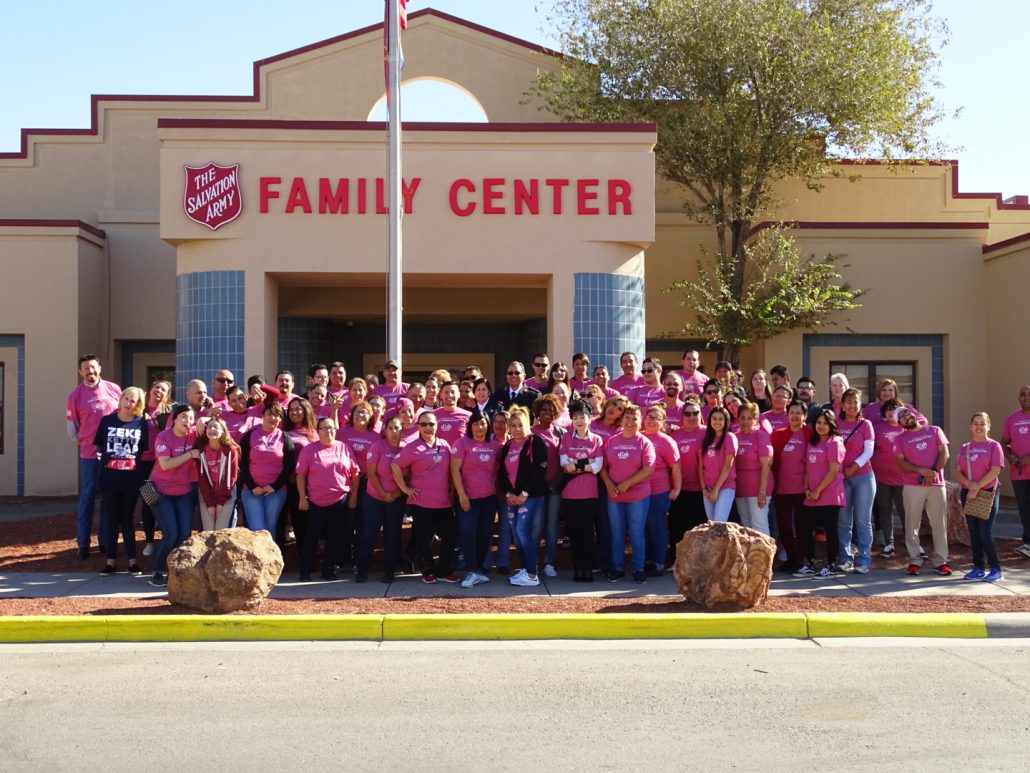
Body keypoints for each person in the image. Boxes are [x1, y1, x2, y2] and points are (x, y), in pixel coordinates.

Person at [66, 354, 122, 560]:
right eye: (86, 369)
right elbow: (72, 429)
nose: (90, 372)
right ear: (81, 372)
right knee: (88, 496)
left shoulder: (114, 390)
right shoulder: (75, 396)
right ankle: (83, 543)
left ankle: (106, 541)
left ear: (100, 368)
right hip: (89, 454)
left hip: (113, 454)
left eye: (93, 367)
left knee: (108, 497)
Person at [392, 411, 457, 584]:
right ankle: (427, 570)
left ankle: (444, 570)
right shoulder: (412, 447)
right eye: (424, 424)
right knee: (424, 538)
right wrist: (405, 488)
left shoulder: (444, 445)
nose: (428, 427)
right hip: (421, 502)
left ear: (437, 425)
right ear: (418, 427)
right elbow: (395, 465)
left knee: (450, 536)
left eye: (431, 424)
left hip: (443, 501)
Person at [296, 416, 360, 582]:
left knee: (335, 536)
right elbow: (300, 476)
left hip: (340, 500)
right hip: (316, 501)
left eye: (332, 428)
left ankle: (329, 570)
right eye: (324, 428)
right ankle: (305, 570)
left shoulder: (344, 448)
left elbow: (354, 473)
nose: (329, 431)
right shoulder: (309, 450)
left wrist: (353, 495)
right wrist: (302, 497)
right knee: (312, 536)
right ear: (318, 431)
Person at [93, 387, 148, 575]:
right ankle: (110, 562)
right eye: (126, 398)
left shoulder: (142, 423)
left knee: (127, 518)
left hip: (131, 479)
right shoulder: (107, 421)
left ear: (137, 405)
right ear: (120, 399)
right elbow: (99, 448)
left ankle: (132, 561)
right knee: (112, 519)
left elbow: (141, 451)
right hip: (109, 479)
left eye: (133, 400)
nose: (128, 403)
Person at [600, 404, 656, 583]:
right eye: (627, 418)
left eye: (634, 418)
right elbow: (603, 466)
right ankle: (617, 569)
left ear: (641, 422)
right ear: (622, 420)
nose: (630, 421)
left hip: (637, 496)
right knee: (617, 533)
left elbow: (648, 469)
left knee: (636, 532)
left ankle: (638, 570)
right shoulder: (612, 441)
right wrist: (609, 484)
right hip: (615, 496)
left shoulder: (644, 442)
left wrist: (627, 484)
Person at [893, 406, 952, 576]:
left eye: (907, 413)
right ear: (900, 423)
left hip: (936, 485)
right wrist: (921, 471)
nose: (906, 417)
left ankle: (941, 561)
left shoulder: (934, 430)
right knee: (912, 524)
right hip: (912, 485)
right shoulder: (900, 439)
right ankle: (914, 561)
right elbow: (901, 463)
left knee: (939, 524)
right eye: (902, 417)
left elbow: (944, 453)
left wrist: (932, 472)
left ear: (914, 414)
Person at [148, 404, 200, 587]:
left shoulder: (194, 434)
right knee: (171, 533)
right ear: (175, 419)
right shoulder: (164, 437)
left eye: (191, 418)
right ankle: (158, 570)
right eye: (184, 417)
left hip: (184, 492)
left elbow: (211, 425)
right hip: (160, 492)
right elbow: (165, 464)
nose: (188, 421)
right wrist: (190, 454)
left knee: (185, 533)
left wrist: (204, 419)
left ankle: (177, 570)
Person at [497, 406, 549, 587]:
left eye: (521, 425)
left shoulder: (536, 442)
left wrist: (524, 493)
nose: (517, 428)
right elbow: (502, 473)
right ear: (509, 428)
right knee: (516, 534)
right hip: (512, 497)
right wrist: (509, 493)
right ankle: (526, 569)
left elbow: (540, 469)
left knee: (522, 531)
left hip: (531, 496)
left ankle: (532, 574)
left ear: (528, 425)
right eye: (513, 425)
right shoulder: (508, 446)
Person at [451, 409, 502, 588]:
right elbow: (454, 470)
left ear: (488, 425)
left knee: (484, 534)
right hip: (468, 498)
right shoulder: (461, 443)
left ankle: (478, 570)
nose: (479, 427)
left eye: (483, 423)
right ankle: (471, 570)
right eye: (476, 423)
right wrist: (462, 494)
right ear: (470, 426)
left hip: (488, 498)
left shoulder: (495, 445)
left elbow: (498, 471)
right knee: (467, 532)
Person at [955, 412, 1005, 582]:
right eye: (975, 423)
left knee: (985, 532)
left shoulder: (994, 446)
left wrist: (977, 486)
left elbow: (995, 470)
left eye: (982, 423)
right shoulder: (965, 448)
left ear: (988, 426)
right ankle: (978, 567)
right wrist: (970, 486)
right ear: (970, 426)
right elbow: (958, 472)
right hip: (968, 493)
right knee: (974, 533)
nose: (978, 427)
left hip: (987, 493)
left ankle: (996, 569)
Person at [559, 398, 605, 582]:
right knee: (574, 531)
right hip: (570, 492)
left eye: (582, 416)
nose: (579, 420)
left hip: (589, 493)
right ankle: (578, 568)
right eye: (575, 417)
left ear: (590, 418)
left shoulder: (597, 439)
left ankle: (588, 567)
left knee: (587, 531)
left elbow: (598, 465)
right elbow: (564, 464)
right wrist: (586, 463)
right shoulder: (566, 438)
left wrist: (577, 464)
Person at [359, 416, 407, 583]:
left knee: (392, 536)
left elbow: (409, 478)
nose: (394, 432)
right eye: (391, 428)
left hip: (396, 498)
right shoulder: (377, 446)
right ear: (385, 431)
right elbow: (371, 474)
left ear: (403, 430)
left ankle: (389, 571)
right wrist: (383, 493)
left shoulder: (406, 449)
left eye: (397, 428)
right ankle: (362, 570)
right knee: (369, 534)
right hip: (374, 498)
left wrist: (395, 495)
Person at [239, 403, 297, 537]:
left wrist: (274, 487)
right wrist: (253, 486)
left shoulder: (285, 438)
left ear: (281, 419)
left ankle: (270, 558)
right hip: (251, 490)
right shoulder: (249, 436)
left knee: (270, 529)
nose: (273, 417)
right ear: (263, 416)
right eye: (269, 414)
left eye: (277, 415)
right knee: (257, 529)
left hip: (276, 491)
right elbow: (242, 463)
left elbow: (289, 466)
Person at [837, 388, 876, 573]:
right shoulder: (836, 424)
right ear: (843, 405)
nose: (852, 406)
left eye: (856, 402)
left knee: (862, 520)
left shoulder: (865, 424)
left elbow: (869, 451)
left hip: (863, 478)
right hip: (841, 478)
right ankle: (845, 558)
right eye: (849, 402)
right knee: (844, 520)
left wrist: (854, 467)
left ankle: (864, 559)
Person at [803, 409, 846, 578]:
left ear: (831, 425)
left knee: (830, 530)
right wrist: (807, 489)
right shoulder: (811, 443)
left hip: (830, 494)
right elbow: (807, 468)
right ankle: (811, 564)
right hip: (811, 496)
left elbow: (833, 471)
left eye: (825, 423)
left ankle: (830, 565)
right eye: (818, 423)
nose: (821, 426)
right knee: (807, 529)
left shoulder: (834, 442)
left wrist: (818, 491)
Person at [772, 401, 812, 575]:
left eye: (799, 413)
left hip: (802, 489)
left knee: (801, 525)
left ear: (805, 416)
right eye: (792, 412)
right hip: (781, 488)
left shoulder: (810, 434)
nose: (795, 416)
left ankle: (800, 560)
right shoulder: (778, 434)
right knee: (784, 526)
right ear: (787, 415)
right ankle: (790, 558)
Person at [338, 401, 378, 570]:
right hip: (346, 482)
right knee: (345, 522)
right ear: (351, 416)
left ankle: (358, 561)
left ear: (370, 417)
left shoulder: (376, 436)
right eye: (357, 412)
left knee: (363, 522)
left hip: (368, 482)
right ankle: (342, 559)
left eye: (364, 413)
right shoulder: (341, 433)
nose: (360, 415)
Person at [642, 404, 681, 574]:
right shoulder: (638, 437)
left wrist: (676, 489)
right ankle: (645, 560)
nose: (651, 421)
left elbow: (676, 467)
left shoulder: (666, 441)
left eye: (656, 418)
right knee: (642, 527)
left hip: (659, 491)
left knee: (656, 525)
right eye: (649, 416)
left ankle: (657, 562)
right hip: (639, 492)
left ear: (663, 422)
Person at [530, 393, 566, 577]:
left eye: (552, 411)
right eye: (544, 409)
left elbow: (565, 461)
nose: (547, 413)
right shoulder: (530, 433)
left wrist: (555, 482)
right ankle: (533, 563)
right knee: (536, 526)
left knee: (552, 526)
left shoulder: (561, 433)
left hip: (554, 488)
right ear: (537, 411)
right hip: (536, 489)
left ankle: (549, 563)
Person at [668, 398, 706, 561]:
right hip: (680, 489)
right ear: (682, 416)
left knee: (700, 529)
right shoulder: (674, 435)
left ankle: (699, 561)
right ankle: (678, 560)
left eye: (695, 413)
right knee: (678, 528)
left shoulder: (708, 432)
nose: (691, 417)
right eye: (687, 414)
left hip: (702, 490)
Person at [139, 379, 173, 557]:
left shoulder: (169, 414)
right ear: (149, 390)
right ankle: (149, 541)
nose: (159, 391)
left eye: (164, 390)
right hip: (144, 463)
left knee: (164, 501)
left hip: (163, 462)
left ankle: (167, 538)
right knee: (148, 500)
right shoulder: (139, 410)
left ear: (167, 396)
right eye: (157, 388)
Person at [871, 398, 906, 558]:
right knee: (885, 511)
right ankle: (888, 542)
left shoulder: (906, 429)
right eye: (888, 409)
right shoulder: (877, 429)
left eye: (895, 409)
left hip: (903, 478)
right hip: (881, 477)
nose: (891, 412)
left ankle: (910, 539)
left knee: (905, 511)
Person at [734, 402, 773, 536]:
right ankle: (751, 557)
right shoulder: (735, 436)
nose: (745, 421)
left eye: (749, 418)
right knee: (746, 526)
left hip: (758, 488)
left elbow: (766, 464)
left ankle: (765, 557)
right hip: (740, 488)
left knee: (759, 525)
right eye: (742, 417)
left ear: (756, 419)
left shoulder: (761, 435)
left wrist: (762, 490)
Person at [1001, 385, 1030, 559]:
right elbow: (1004, 442)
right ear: (1019, 397)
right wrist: (1010, 458)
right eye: (1023, 394)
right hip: (1019, 473)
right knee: (1024, 507)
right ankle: (1027, 542)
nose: (1026, 397)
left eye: (1029, 394)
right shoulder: (1012, 418)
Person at [195, 418, 239, 532]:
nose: (212, 429)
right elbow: (202, 479)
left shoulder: (230, 450)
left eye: (216, 427)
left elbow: (231, 478)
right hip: (207, 494)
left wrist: (220, 502)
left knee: (220, 530)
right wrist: (209, 504)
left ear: (223, 431)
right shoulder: (201, 450)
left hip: (226, 493)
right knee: (208, 531)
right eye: (209, 427)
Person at [699, 406, 737, 522]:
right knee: (711, 524)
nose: (717, 422)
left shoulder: (729, 437)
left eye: (721, 419)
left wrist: (716, 490)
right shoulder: (706, 440)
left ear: (726, 421)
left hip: (725, 487)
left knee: (719, 522)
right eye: (714, 418)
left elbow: (728, 466)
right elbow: (700, 466)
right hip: (708, 488)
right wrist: (704, 488)